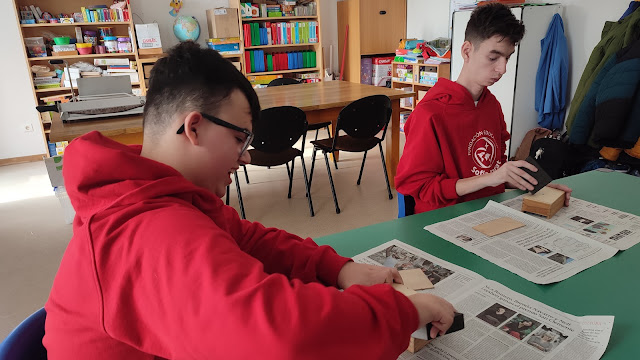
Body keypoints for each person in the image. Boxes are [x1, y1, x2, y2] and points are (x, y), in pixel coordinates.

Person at [42, 41, 457, 360]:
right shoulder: (150, 227)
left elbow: (246, 237)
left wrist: (340, 269)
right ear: (194, 128)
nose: (244, 157)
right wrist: (406, 312)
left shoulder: (153, 186)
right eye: (241, 138)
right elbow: (284, 340)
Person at [395, 3, 572, 214]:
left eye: (508, 57)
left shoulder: (491, 106)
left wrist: (536, 185)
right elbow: (420, 187)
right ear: (467, 51)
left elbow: (493, 171)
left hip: (488, 211)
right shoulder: (430, 114)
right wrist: (491, 178)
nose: (503, 68)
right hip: (443, 218)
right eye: (493, 57)